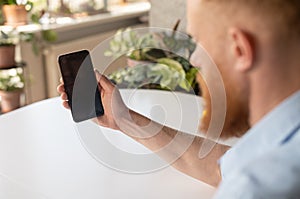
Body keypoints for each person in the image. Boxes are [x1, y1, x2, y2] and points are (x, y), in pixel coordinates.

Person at [57, 0, 300, 198]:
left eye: (199, 42)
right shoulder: (281, 144)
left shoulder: (257, 188)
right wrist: (125, 120)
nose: (194, 60)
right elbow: (222, 168)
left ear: (240, 50)